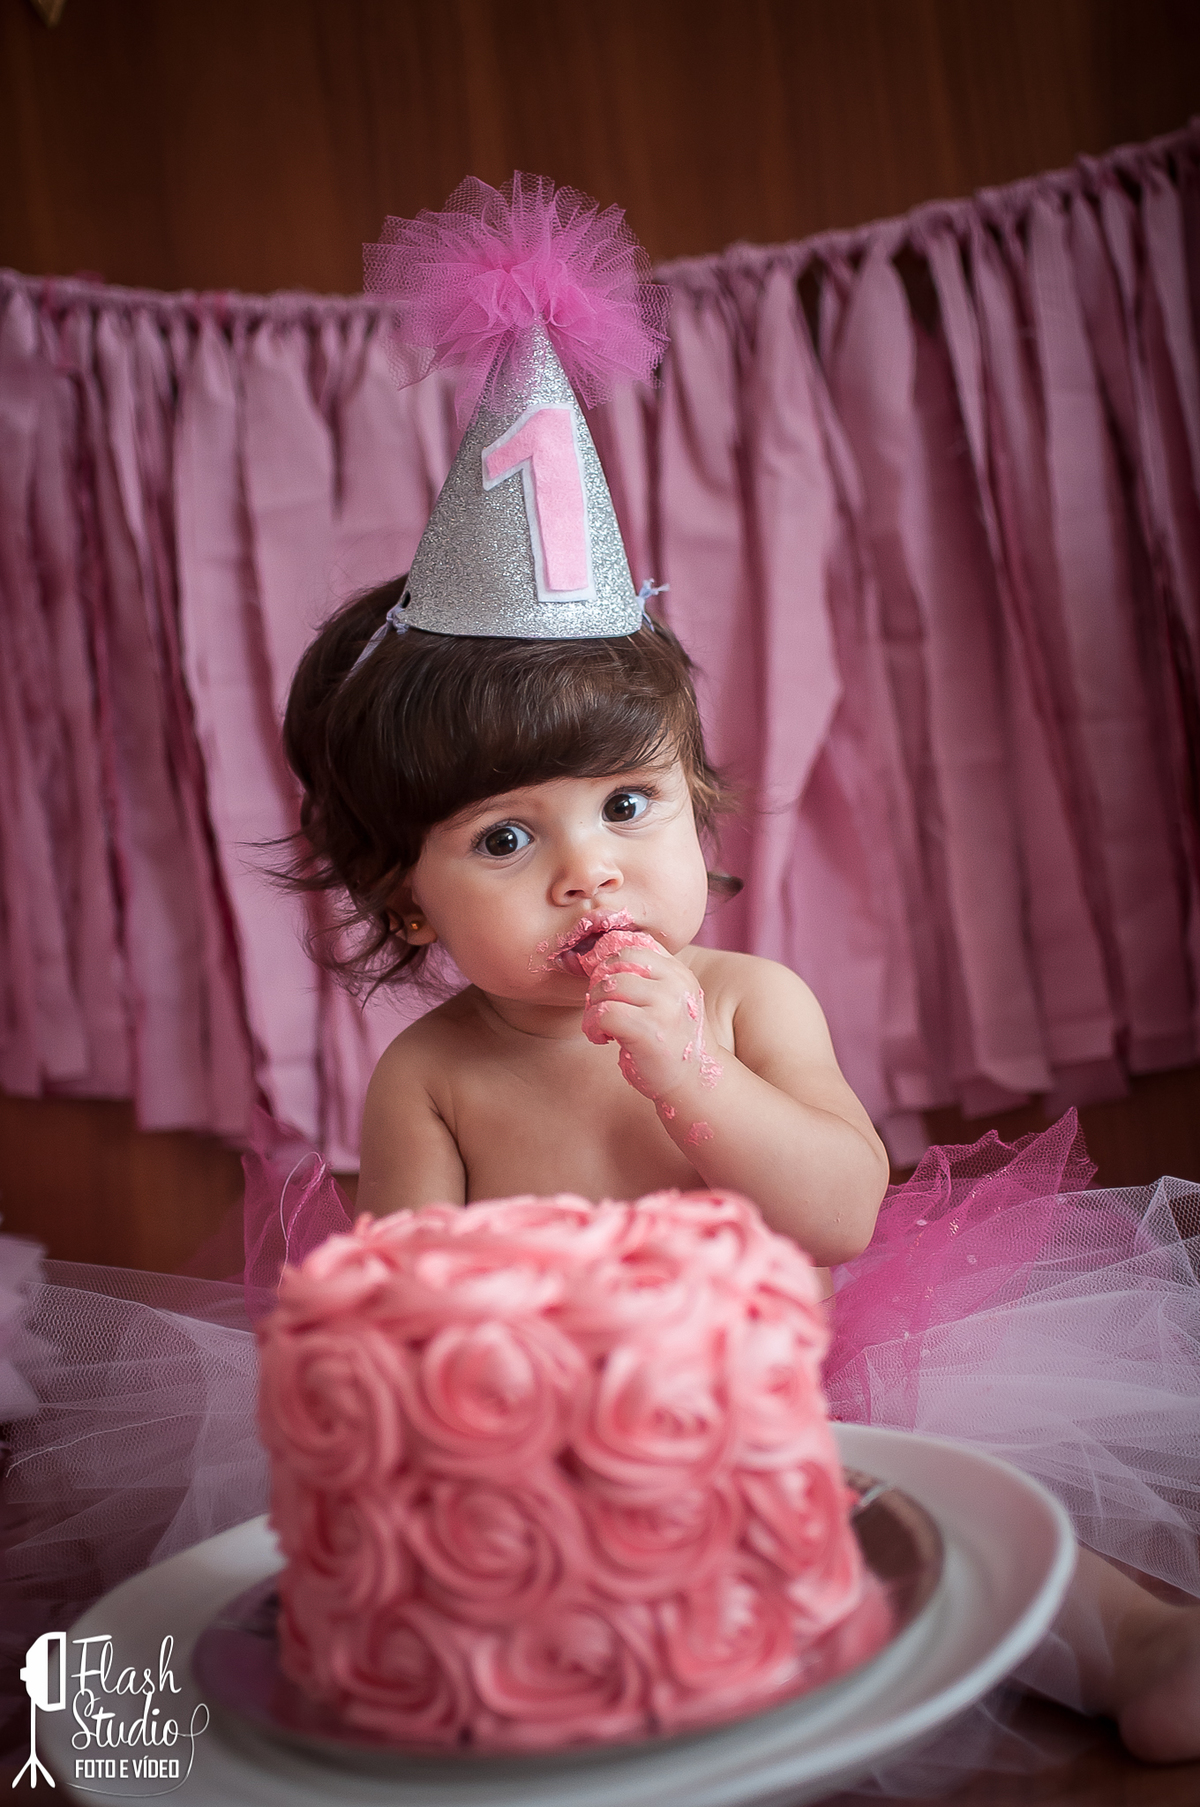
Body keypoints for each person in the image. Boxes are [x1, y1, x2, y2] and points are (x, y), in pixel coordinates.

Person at [279, 572, 1200, 1769]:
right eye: (507, 837)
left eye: (626, 803)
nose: (587, 871)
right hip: (555, 1460)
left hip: (805, 1402)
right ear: (409, 906)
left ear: (696, 810)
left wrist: (695, 1079)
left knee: (942, 1513)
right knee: (511, 1628)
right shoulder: (431, 1077)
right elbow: (403, 1315)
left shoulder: (751, 1001)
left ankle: (1132, 1640)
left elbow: (841, 1212)